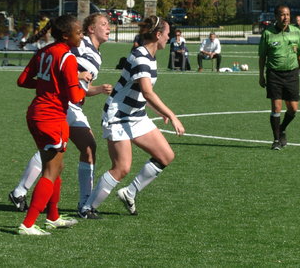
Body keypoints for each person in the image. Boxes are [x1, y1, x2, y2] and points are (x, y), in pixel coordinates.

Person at [79, 16, 185, 219]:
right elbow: (147, 92)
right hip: (118, 116)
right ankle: (87, 208)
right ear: (158, 35)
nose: (169, 37)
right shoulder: (140, 57)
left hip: (136, 115)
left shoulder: (150, 56)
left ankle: (130, 193)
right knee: (122, 168)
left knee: (165, 156)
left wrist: (158, 111)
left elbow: (140, 91)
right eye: (167, 33)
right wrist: (171, 115)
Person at [9, 13, 113, 214]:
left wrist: (98, 89)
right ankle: (80, 205)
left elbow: (82, 87)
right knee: (56, 151)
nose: (108, 27)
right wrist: (74, 77)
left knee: (85, 148)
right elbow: (61, 63)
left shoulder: (96, 54)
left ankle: (80, 203)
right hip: (61, 104)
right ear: (90, 29)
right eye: (104, 24)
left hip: (73, 104)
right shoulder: (80, 43)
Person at [15, 14, 86, 236]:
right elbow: (75, 96)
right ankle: (28, 224)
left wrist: (48, 86)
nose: (82, 35)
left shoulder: (44, 51)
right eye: (79, 32)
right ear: (66, 35)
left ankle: (53, 217)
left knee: (56, 167)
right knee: (51, 170)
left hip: (36, 113)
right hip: (51, 117)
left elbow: (23, 81)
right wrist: (82, 84)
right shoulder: (67, 57)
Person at [258, 5, 300, 150]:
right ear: (276, 16)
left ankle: (282, 128)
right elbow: (262, 56)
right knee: (276, 107)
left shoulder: (296, 32)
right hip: (274, 74)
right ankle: (276, 140)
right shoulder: (268, 33)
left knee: (293, 109)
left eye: (287, 14)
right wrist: (261, 75)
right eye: (282, 14)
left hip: (292, 74)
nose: (285, 17)